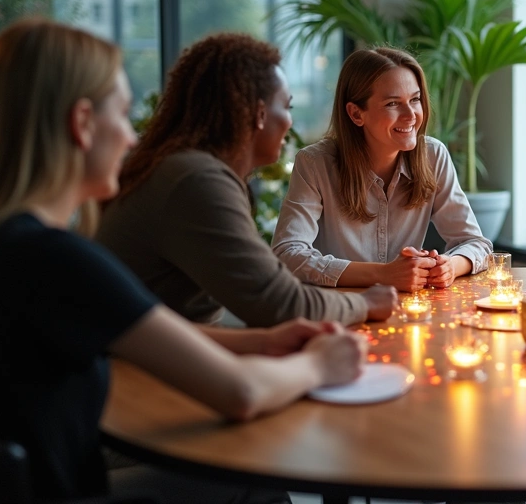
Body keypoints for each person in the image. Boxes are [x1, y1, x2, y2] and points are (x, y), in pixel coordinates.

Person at [0, 20, 367, 501]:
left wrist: (263, 340)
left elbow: (126, 329)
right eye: (123, 115)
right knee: (256, 479)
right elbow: (242, 394)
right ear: (81, 124)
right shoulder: (56, 259)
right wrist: (318, 365)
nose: (130, 139)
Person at [97, 33, 396, 327]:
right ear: (260, 115)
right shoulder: (195, 180)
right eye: (287, 107)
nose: (290, 122)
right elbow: (277, 301)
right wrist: (366, 303)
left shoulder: (183, 168)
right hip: (137, 371)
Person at [272, 47, 492, 292]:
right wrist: (383, 274)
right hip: (338, 312)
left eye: (415, 100)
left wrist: (450, 265)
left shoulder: (433, 155)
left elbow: (475, 243)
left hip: (409, 312)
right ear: (356, 113)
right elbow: (287, 254)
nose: (411, 116)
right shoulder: (315, 163)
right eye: (392, 103)